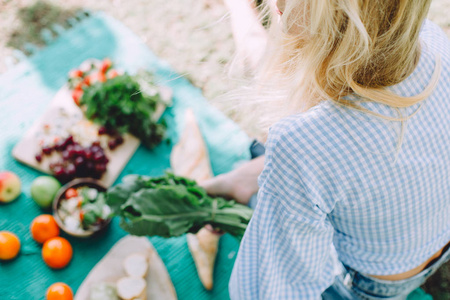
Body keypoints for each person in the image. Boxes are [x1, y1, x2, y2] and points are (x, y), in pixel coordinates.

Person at [201, 0, 450, 299]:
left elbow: (271, 289)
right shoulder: (433, 40)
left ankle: (253, 176)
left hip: (369, 288)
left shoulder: (302, 141)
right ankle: (249, 176)